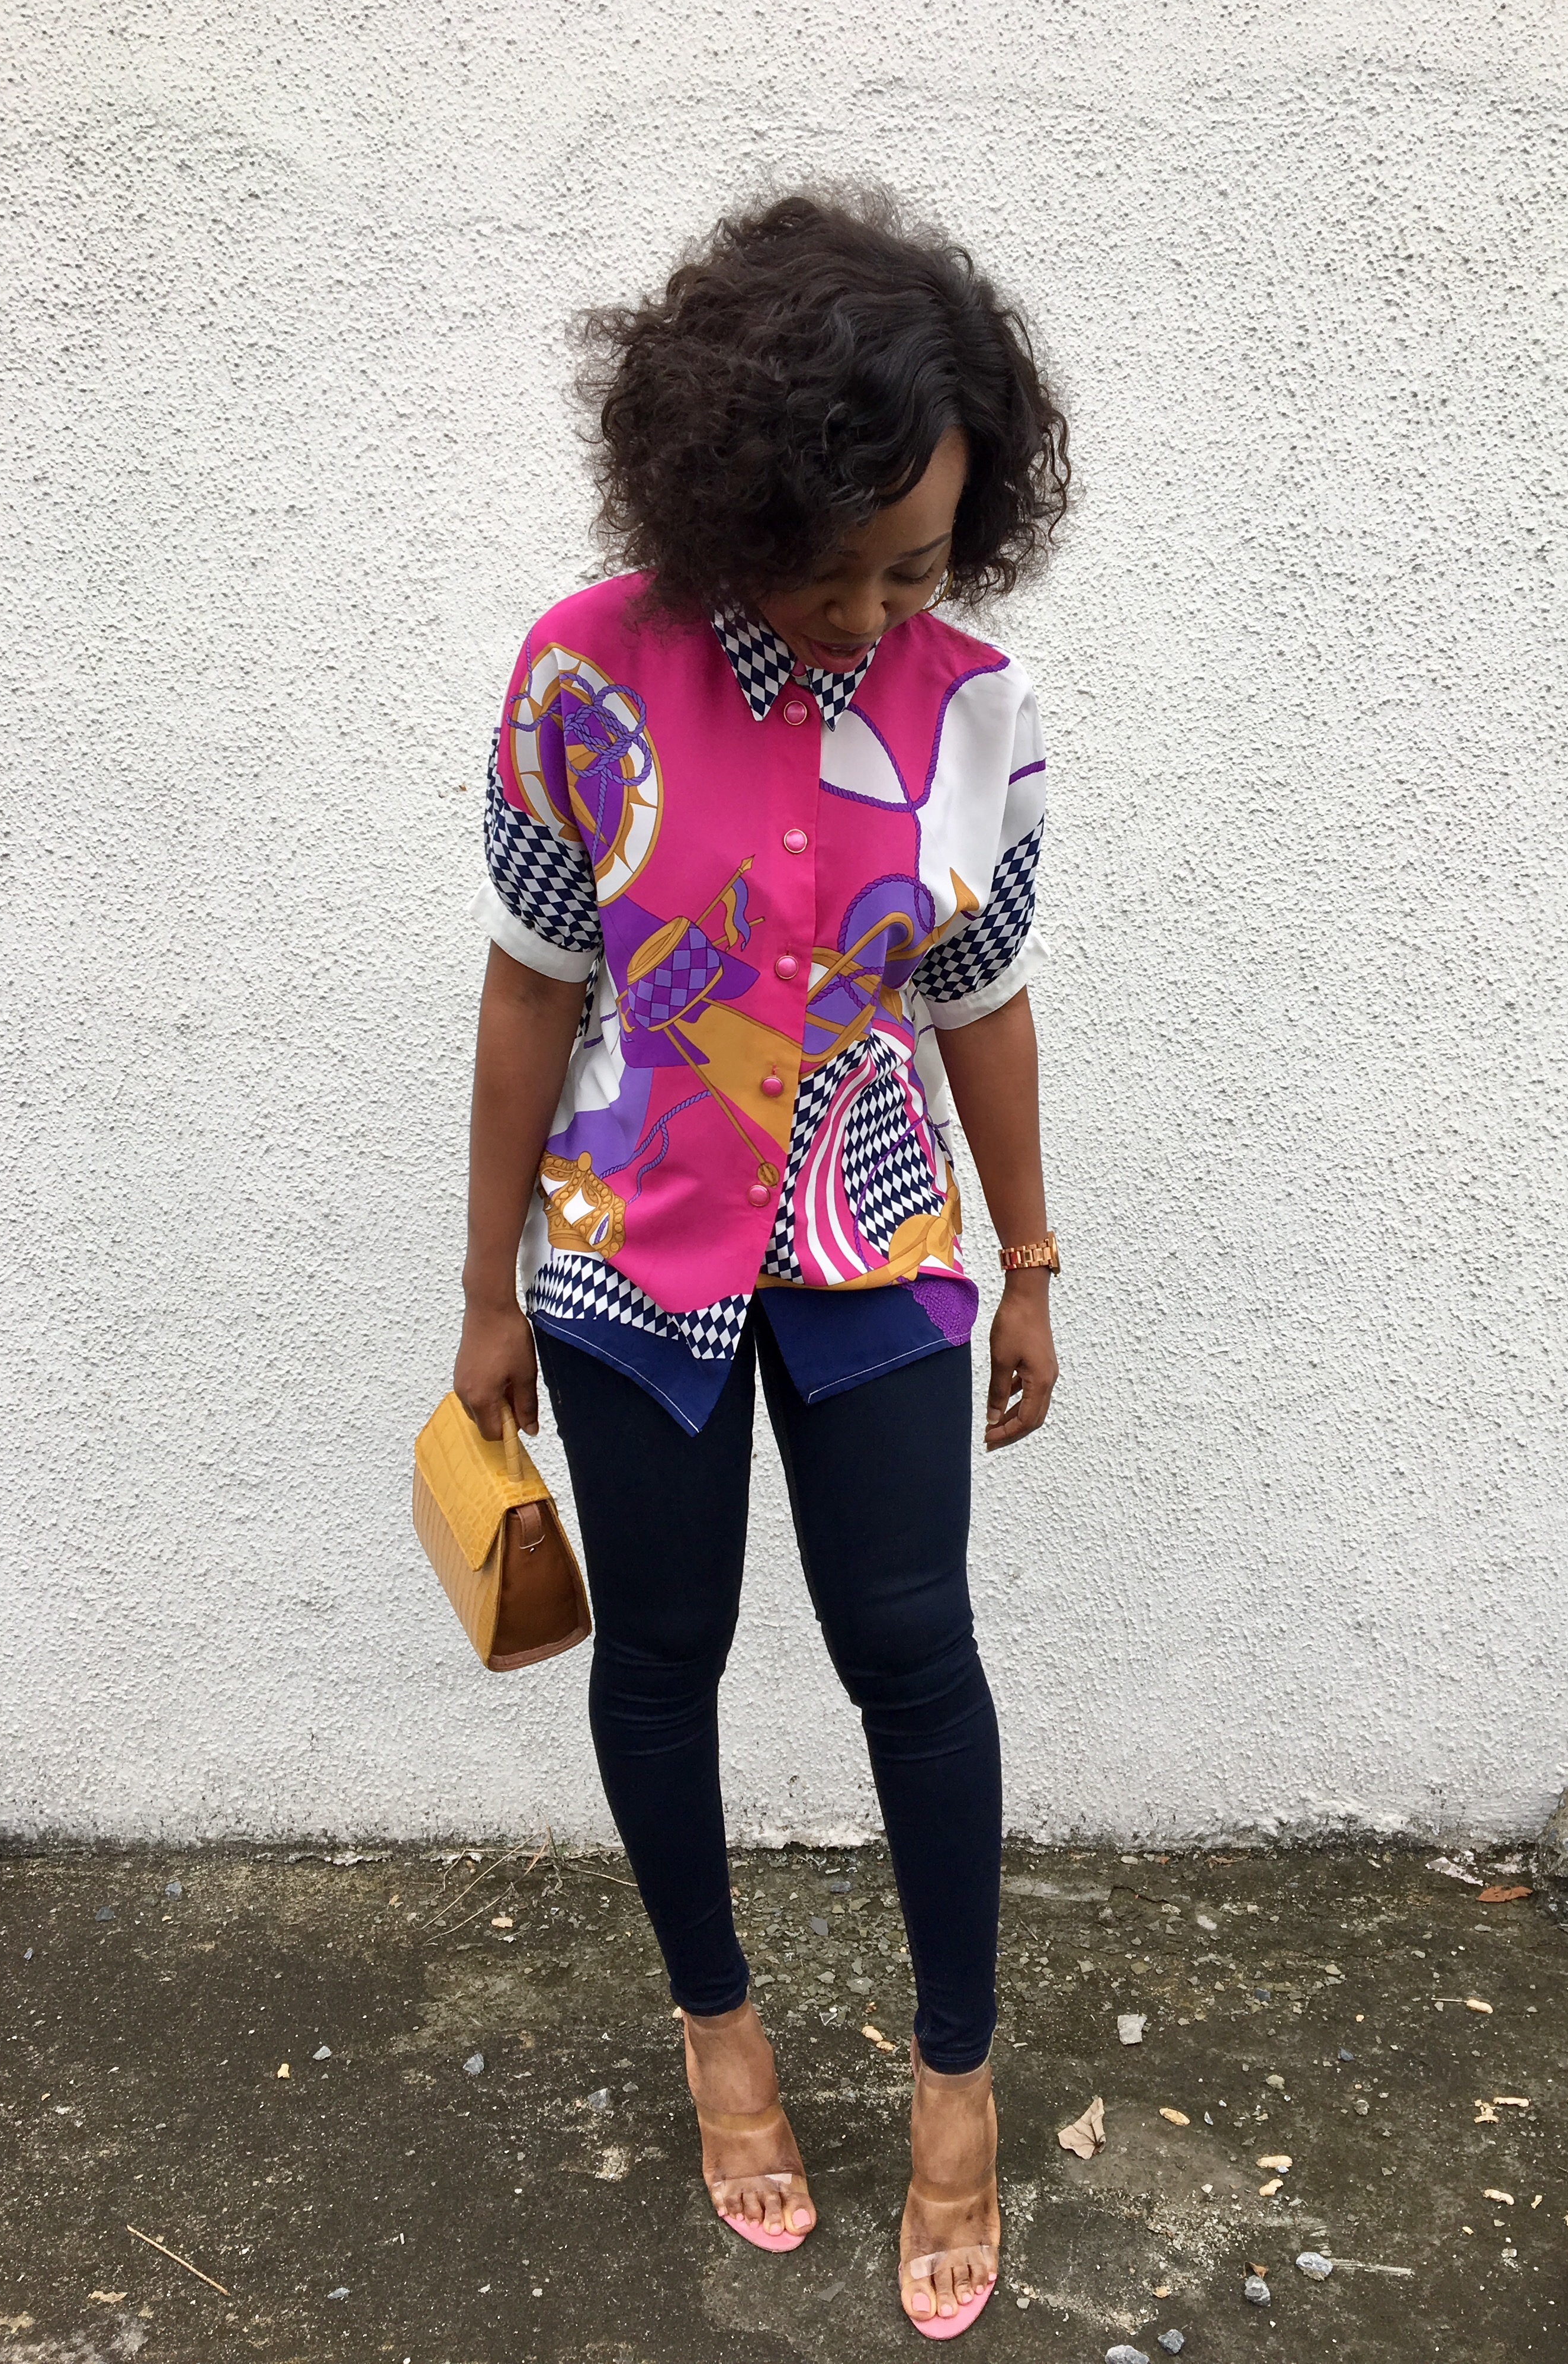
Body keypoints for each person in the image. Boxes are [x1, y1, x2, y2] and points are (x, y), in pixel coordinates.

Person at [452, 188, 1069, 2340]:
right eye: (842, 563)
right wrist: (484, 1291)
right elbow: (529, 992)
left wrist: (1031, 1258)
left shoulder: (974, 710)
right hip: (629, 1262)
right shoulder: (582, 676)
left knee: (917, 1653)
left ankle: (956, 2080)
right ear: (735, 496)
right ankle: (719, 2036)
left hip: (875, 1245)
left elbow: (982, 1000)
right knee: (664, 1651)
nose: (881, 607)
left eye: (925, 562)